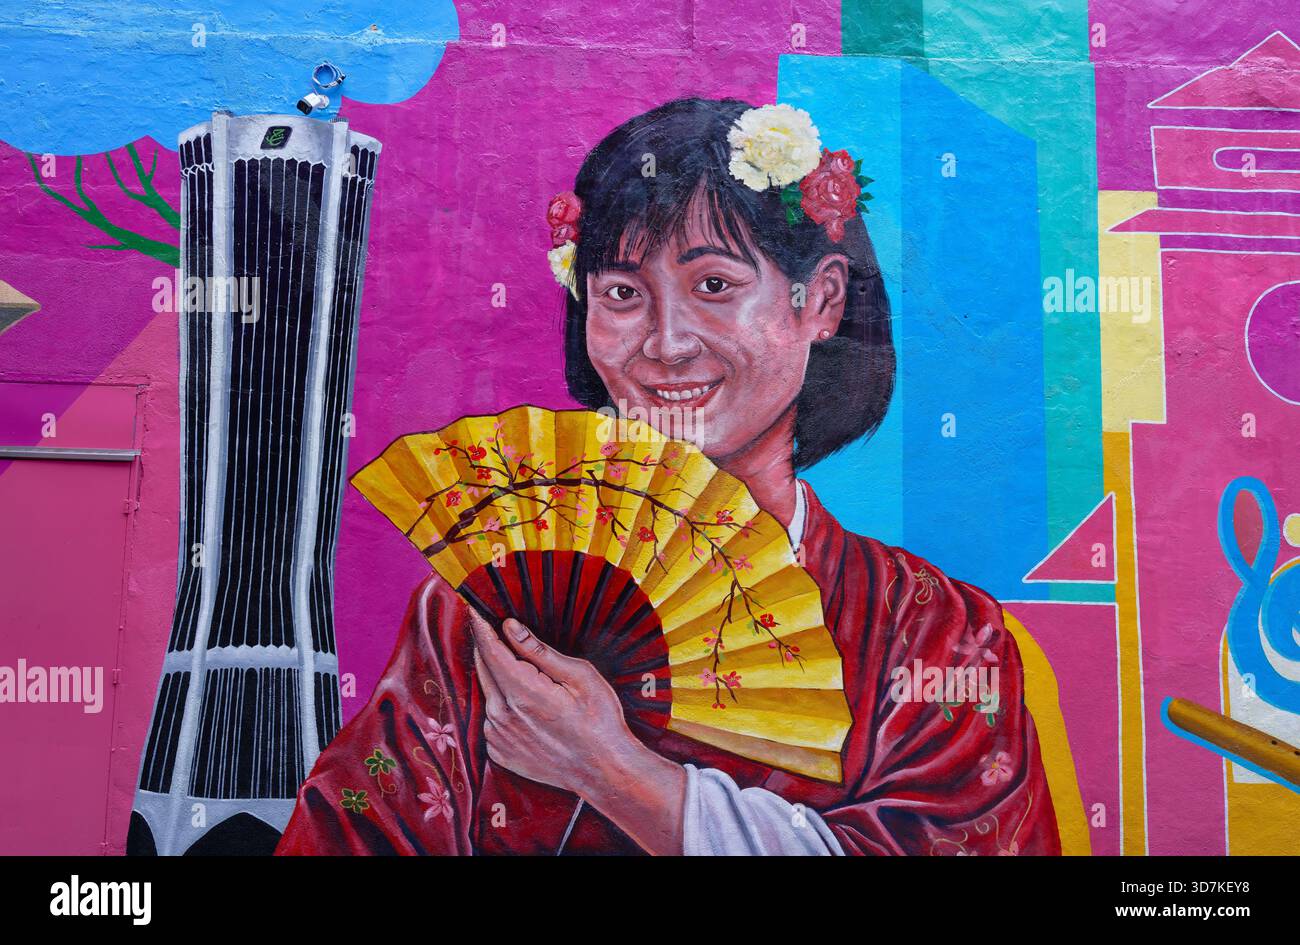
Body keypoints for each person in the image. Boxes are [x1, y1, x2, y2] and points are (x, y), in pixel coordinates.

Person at [276, 97, 1060, 856]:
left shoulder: (936, 632)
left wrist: (619, 775)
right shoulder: (477, 609)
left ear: (820, 300)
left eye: (713, 285)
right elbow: (360, 819)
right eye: (621, 293)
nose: (665, 343)